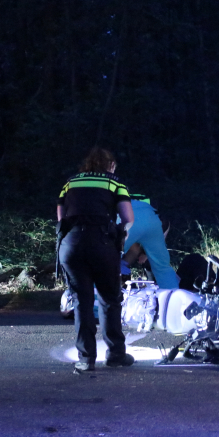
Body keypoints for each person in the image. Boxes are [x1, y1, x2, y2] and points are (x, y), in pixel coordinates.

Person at [57, 147, 135, 372]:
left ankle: (86, 359)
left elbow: (61, 218)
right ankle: (116, 355)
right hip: (102, 243)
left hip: (71, 245)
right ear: (111, 165)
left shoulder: (70, 182)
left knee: (81, 301)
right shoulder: (115, 183)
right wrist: (120, 234)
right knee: (109, 299)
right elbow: (128, 218)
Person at [119, 194, 179, 289]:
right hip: (152, 220)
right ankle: (174, 293)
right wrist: (146, 254)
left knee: (106, 259)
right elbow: (136, 249)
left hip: (127, 218)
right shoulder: (150, 202)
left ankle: (102, 293)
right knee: (162, 268)